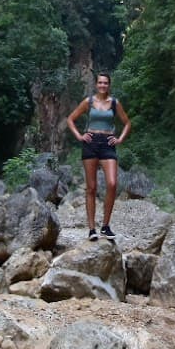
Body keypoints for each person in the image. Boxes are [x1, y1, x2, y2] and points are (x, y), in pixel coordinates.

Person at [65, 72, 131, 241]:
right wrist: (79, 136)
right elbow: (70, 119)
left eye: (105, 83)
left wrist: (120, 139)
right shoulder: (88, 102)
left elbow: (127, 123)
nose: (103, 85)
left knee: (112, 183)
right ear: (96, 85)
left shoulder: (114, 103)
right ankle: (92, 229)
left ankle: (106, 226)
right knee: (91, 188)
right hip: (91, 142)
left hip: (108, 143)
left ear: (109, 85)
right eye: (100, 82)